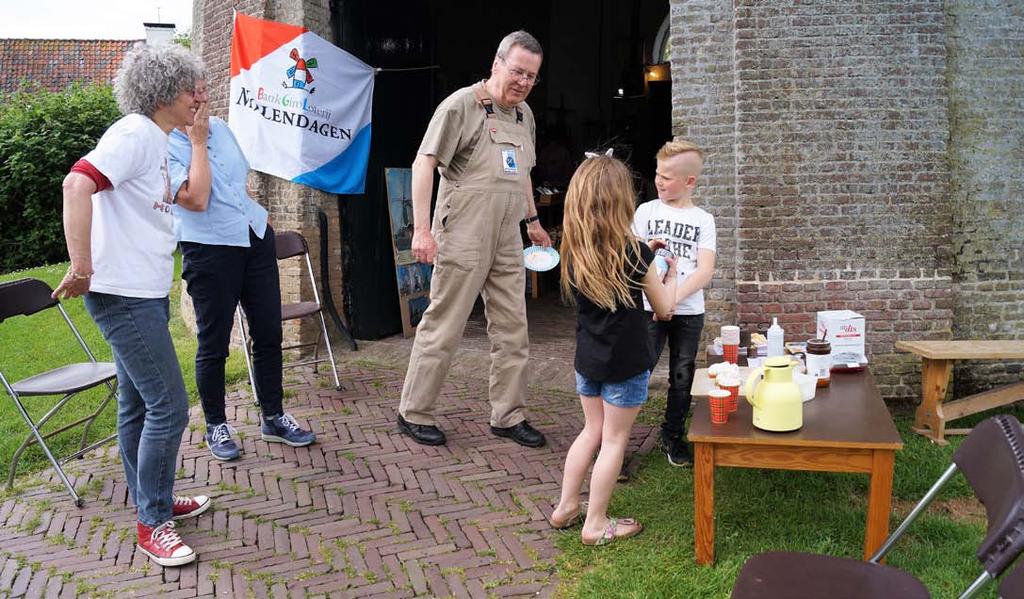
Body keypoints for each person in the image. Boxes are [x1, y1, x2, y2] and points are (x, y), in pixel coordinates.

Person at [53, 44, 210, 568]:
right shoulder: (136, 133)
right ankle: (153, 524)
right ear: (164, 90)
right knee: (170, 406)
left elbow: (192, 201)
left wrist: (197, 143)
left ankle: (152, 499)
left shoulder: (157, 139)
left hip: (141, 291)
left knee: (137, 404)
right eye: (192, 88)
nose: (199, 97)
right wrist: (81, 266)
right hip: (122, 295)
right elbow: (77, 183)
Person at [396, 31, 552, 447]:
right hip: (463, 229)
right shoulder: (461, 106)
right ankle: (414, 411)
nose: (522, 81)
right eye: (517, 71)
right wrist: (423, 230)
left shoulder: (525, 116)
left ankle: (508, 415)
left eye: (531, 76)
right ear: (497, 62)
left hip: (506, 235)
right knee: (445, 324)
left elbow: (521, 173)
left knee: (513, 328)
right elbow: (423, 163)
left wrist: (533, 220)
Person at [167, 83, 316, 462]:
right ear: (170, 97)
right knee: (214, 342)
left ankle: (274, 416)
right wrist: (197, 143)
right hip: (209, 247)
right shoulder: (163, 143)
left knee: (269, 332)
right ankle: (216, 424)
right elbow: (195, 200)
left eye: (202, 91)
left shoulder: (222, 127)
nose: (200, 100)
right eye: (190, 93)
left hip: (254, 236)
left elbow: (237, 180)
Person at [547, 155, 678, 545]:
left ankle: (566, 507)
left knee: (591, 431)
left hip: (588, 360)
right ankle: (596, 523)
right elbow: (664, 309)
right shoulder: (636, 254)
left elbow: (615, 266)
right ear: (621, 201)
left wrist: (646, 254)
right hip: (625, 363)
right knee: (615, 440)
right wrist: (666, 270)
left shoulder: (573, 252)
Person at [631, 140, 716, 466]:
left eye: (667, 176)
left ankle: (672, 436)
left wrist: (670, 298)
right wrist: (656, 300)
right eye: (657, 173)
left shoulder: (703, 220)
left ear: (689, 181)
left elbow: (705, 270)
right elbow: (633, 260)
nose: (659, 181)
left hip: (688, 311)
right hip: (648, 310)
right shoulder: (645, 212)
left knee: (682, 375)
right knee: (638, 372)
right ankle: (617, 441)